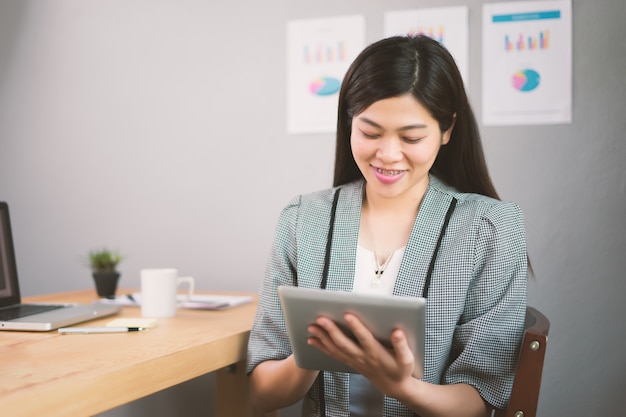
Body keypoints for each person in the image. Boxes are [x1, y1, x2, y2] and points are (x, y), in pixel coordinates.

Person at [247, 35, 528, 417]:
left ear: (447, 130)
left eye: (411, 137)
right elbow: (263, 395)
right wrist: (312, 353)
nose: (388, 155)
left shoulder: (489, 228)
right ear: (349, 122)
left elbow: (480, 401)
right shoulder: (302, 219)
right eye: (370, 133)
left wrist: (403, 388)